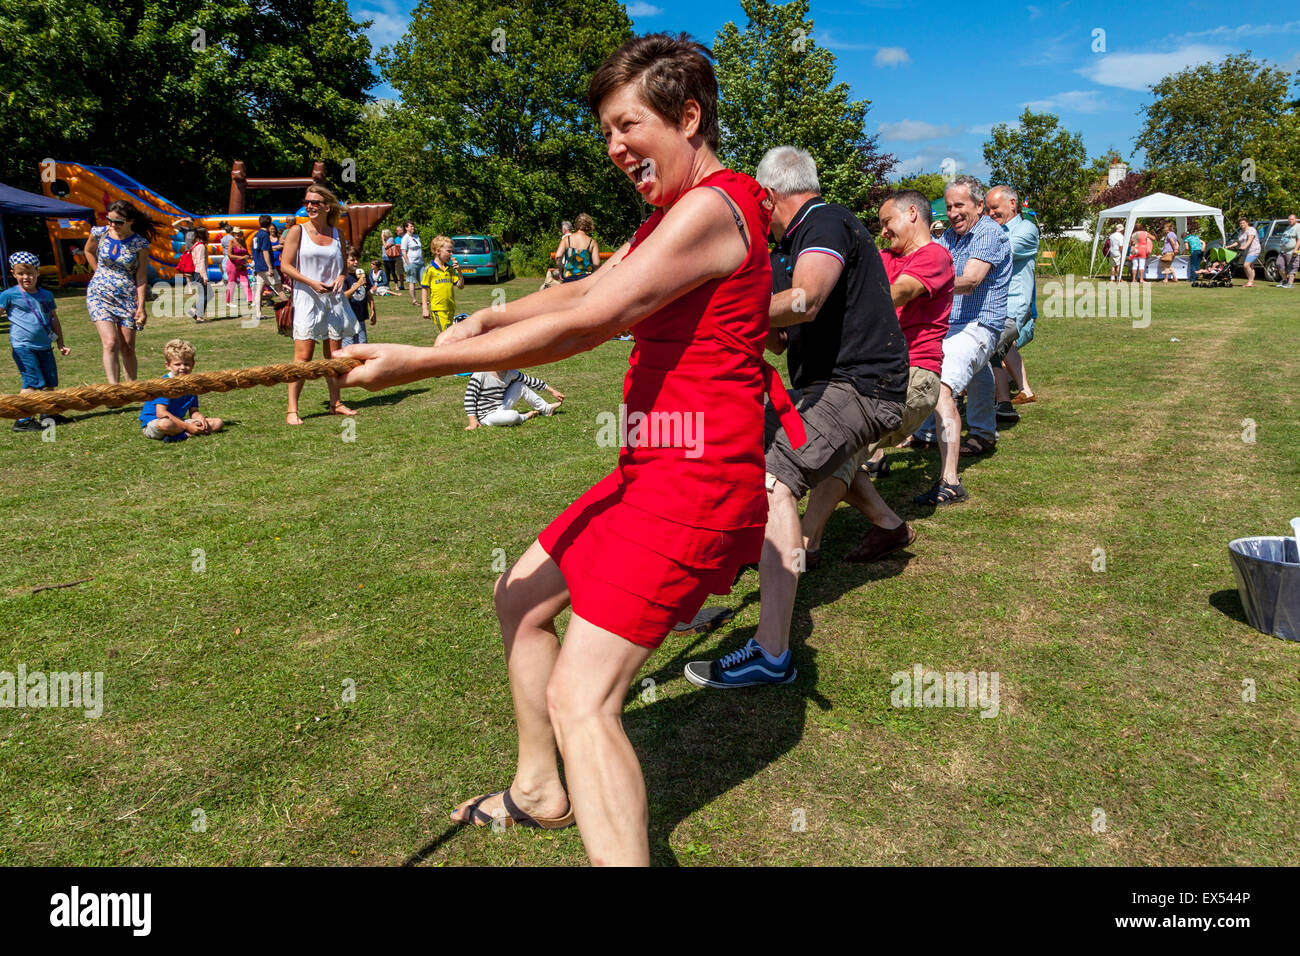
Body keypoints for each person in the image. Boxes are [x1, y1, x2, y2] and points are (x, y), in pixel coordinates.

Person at [335, 33, 803, 866]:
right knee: (518, 596)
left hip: (696, 481)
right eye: (607, 133)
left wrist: (430, 361)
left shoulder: (714, 207)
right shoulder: (671, 212)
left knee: (581, 699)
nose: (616, 148)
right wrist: (486, 318)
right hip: (649, 467)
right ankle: (539, 790)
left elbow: (596, 320)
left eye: (628, 126)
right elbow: (585, 286)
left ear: (689, 116)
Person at [683, 144, 907, 689]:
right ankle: (706, 586)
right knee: (734, 458)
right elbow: (782, 338)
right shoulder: (788, 245)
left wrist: (726, 309)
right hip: (820, 386)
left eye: (760, 202)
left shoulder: (823, 219)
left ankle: (771, 653)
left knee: (772, 481)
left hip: (862, 386)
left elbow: (805, 300)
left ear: (772, 193)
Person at [798, 190, 952, 566]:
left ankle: (804, 544)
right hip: (876, 374)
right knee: (837, 447)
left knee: (840, 449)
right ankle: (889, 526)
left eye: (887, 222)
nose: (882, 231)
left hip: (914, 375)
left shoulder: (934, 256)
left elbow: (899, 292)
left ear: (912, 213)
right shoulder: (885, 258)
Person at [906, 176, 1010, 505]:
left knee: (941, 386)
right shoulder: (949, 237)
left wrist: (923, 284)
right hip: (954, 324)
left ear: (980, 206)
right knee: (977, 373)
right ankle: (981, 433)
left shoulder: (990, 232)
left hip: (981, 324)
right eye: (949, 206)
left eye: (959, 205)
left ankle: (950, 482)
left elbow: (971, 280)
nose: (952, 213)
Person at [279, 184, 359, 424]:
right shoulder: (297, 231)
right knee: (303, 356)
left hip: (333, 299)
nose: (310, 206)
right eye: (307, 202)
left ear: (327, 206)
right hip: (307, 297)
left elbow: (343, 266)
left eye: (315, 202)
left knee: (333, 355)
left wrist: (343, 277)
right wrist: (311, 282)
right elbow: (285, 265)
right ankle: (292, 410)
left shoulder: (338, 233)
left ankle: (335, 403)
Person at [1, 251, 71, 432]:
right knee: (32, 382)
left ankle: (48, 413)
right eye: (21, 273)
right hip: (23, 346)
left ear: (38, 272)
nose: (26, 277)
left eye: (30, 273)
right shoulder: (8, 295)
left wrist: (60, 343)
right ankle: (22, 419)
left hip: (44, 345)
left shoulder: (46, 295)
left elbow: (54, 319)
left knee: (49, 381)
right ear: (13, 274)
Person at [985, 185, 1038, 421]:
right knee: (993, 350)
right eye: (987, 210)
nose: (990, 214)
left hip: (1012, 307)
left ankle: (997, 407)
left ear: (1013, 204)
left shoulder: (1027, 229)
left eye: (995, 208)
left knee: (985, 349)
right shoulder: (993, 228)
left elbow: (1000, 253)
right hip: (993, 304)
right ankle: (1004, 404)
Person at [85, 199, 152, 384]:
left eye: (118, 222)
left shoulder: (139, 243)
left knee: (128, 346)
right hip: (100, 294)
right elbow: (88, 251)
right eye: (110, 220)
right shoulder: (99, 233)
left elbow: (141, 277)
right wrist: (98, 271)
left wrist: (141, 307)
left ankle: (131, 389)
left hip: (127, 296)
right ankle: (113, 390)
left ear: (130, 221)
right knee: (110, 342)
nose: (113, 225)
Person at [138, 339, 224, 442]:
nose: (182, 367)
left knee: (218, 423)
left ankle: (180, 434)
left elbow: (193, 411)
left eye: (186, 364)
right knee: (165, 424)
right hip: (155, 423)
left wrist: (199, 418)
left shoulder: (192, 384)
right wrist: (187, 426)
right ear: (168, 365)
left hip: (177, 422)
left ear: (193, 364)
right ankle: (183, 434)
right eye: (177, 364)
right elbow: (161, 413)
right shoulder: (165, 383)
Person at [464, 368, 563, 427]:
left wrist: (552, 391)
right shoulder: (480, 373)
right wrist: (472, 420)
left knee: (520, 385)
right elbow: (470, 396)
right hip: (487, 416)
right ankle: (524, 416)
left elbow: (529, 380)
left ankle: (546, 409)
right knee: (513, 416)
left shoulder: (510, 372)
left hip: (501, 407)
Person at [420, 235, 464, 332]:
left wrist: (460, 272)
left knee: (449, 335)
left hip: (451, 308)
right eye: (448, 251)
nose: (451, 254)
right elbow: (424, 289)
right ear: (437, 251)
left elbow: (460, 286)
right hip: (438, 309)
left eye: (452, 251)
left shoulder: (450, 269)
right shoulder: (430, 270)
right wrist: (425, 308)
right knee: (446, 334)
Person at [251, 215, 286, 316]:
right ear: (270, 223)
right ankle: (289, 309)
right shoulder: (265, 235)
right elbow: (265, 251)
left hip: (258, 265)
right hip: (266, 266)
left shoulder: (256, 235)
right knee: (279, 287)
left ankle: (258, 313)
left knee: (259, 289)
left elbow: (257, 250)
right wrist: (270, 267)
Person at [340, 250, 376, 347]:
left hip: (360, 318)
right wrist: (357, 285)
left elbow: (368, 293)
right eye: (352, 260)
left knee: (362, 346)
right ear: (345, 261)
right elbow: (343, 297)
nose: (356, 262)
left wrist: (373, 310)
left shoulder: (362, 275)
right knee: (349, 347)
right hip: (347, 320)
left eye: (357, 259)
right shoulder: (343, 277)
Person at [554, 213, 601, 282]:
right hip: (586, 278)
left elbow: (558, 257)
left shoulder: (567, 239)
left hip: (569, 276)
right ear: (589, 225)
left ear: (576, 224)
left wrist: (561, 270)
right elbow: (596, 263)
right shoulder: (592, 242)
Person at [1225, 217, 1260, 287]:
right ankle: (1251, 282)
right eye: (1240, 223)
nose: (1241, 224)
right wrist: (1229, 246)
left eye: (1243, 223)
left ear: (1247, 223)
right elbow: (1238, 242)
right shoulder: (1241, 232)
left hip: (1254, 250)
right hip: (1246, 251)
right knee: (1251, 266)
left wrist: (1245, 246)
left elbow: (1250, 240)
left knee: (1246, 265)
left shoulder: (1251, 230)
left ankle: (1250, 281)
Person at [225, 229, 253, 311]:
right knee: (232, 282)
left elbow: (246, 252)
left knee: (245, 282)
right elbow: (229, 255)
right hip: (232, 264)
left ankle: (250, 299)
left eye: (239, 233)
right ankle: (229, 301)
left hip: (241, 265)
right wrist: (241, 257)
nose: (237, 234)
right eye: (235, 233)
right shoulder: (231, 242)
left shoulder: (242, 241)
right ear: (233, 234)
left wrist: (249, 256)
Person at [187, 227, 211, 323]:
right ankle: (199, 317)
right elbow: (201, 262)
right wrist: (204, 276)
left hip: (196, 272)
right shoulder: (201, 246)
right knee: (204, 295)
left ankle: (193, 310)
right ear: (202, 234)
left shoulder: (195, 245)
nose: (208, 234)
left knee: (204, 294)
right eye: (206, 232)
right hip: (199, 273)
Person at [400, 221, 423, 305]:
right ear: (406, 228)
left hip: (420, 262)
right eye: (411, 226)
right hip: (411, 263)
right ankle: (414, 300)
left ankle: (425, 299)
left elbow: (420, 250)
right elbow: (404, 252)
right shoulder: (405, 238)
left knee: (423, 281)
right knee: (412, 282)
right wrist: (408, 263)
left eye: (413, 226)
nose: (413, 228)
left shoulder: (416, 237)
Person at [1274, 213, 1298, 288]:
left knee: (1292, 267)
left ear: (1296, 219)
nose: (1290, 220)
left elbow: (1299, 239)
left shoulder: (1298, 227)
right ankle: (1284, 281)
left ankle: (1290, 284)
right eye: (1289, 219)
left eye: (1292, 219)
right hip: (1283, 251)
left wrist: (1295, 249)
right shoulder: (1288, 227)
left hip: (1292, 251)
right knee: (1279, 264)